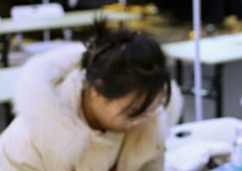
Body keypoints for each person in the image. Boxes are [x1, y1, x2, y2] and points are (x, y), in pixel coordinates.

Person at [0, 19, 183, 170]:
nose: (141, 120)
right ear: (97, 90)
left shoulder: (150, 123)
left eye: (151, 109)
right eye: (132, 111)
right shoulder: (28, 142)